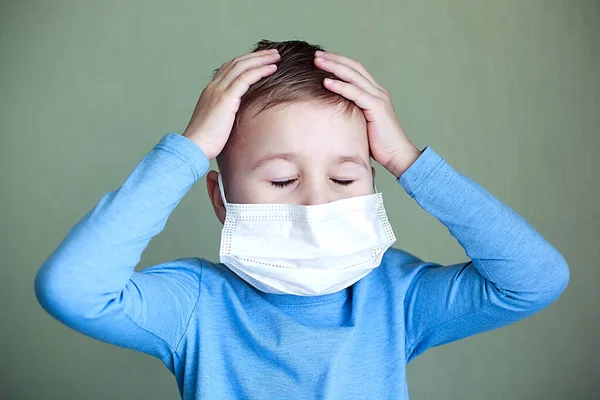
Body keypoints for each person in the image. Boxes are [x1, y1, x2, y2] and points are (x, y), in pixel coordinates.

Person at [34, 39, 570, 399]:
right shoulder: (195, 306)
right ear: (221, 199)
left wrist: (409, 161)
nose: (318, 205)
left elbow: (535, 280)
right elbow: (73, 290)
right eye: (283, 181)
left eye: (344, 180)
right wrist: (190, 150)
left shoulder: (395, 297)